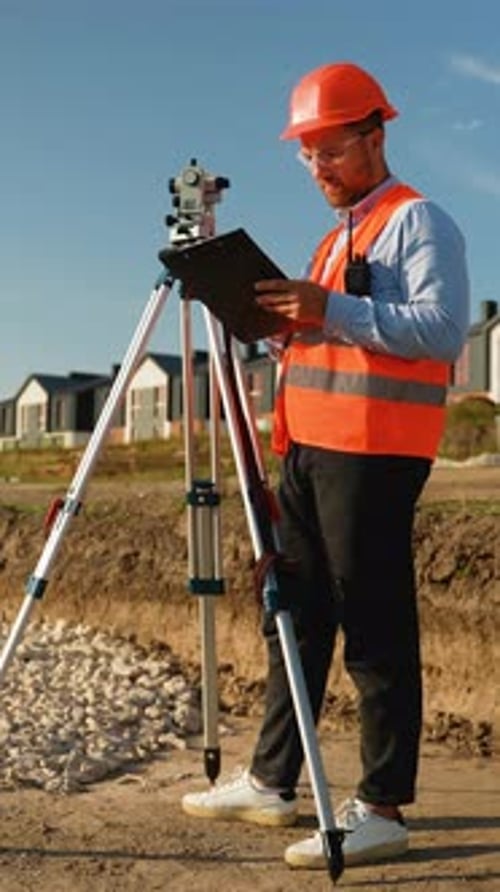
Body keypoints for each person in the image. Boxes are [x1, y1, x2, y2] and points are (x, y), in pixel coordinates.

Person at [181, 61, 470, 869]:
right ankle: (273, 780)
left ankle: (382, 807)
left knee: (374, 623)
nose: (319, 170)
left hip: (374, 454)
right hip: (307, 451)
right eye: (308, 158)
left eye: (333, 152)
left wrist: (329, 308)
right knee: (296, 618)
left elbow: (443, 331)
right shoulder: (334, 236)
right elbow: (332, 339)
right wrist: (271, 321)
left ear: (375, 135)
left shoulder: (421, 222)